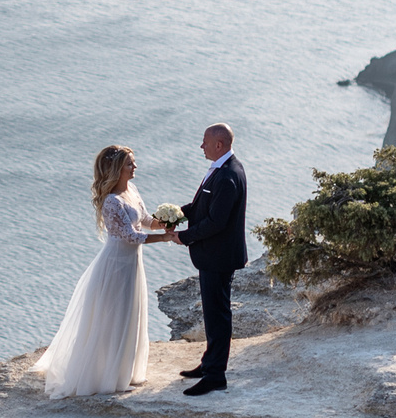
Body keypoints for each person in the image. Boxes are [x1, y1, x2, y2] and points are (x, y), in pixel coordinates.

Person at [34, 144, 176, 398]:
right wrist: (164, 240)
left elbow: (145, 220)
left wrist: (167, 222)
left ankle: (123, 372)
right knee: (113, 317)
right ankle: (105, 376)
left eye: (133, 162)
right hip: (116, 265)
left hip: (132, 265)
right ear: (116, 169)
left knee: (129, 315)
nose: (135, 167)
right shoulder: (111, 201)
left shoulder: (131, 190)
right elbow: (130, 237)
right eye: (129, 164)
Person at [174, 124, 249, 395]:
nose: (201, 146)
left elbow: (217, 221)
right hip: (215, 255)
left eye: (204, 141)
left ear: (219, 144)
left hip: (218, 256)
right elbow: (202, 207)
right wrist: (175, 215)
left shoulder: (228, 174)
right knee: (213, 313)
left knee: (217, 315)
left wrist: (185, 237)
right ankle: (209, 364)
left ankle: (216, 375)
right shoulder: (222, 168)